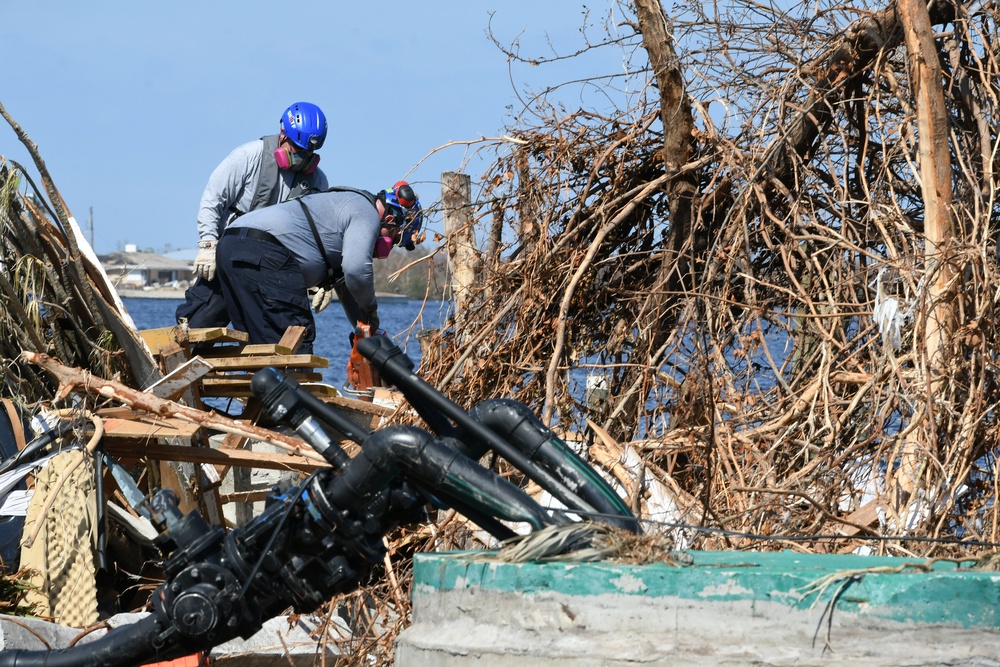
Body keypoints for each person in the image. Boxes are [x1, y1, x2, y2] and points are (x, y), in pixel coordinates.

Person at [214, 182, 423, 355]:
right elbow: (356, 271)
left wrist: (365, 327)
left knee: (259, 348)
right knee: (293, 347)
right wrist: (370, 308)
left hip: (230, 243)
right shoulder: (366, 213)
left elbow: (347, 286)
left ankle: (262, 403)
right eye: (394, 240)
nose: (389, 246)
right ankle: (294, 404)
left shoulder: (344, 204)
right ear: (390, 219)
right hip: (265, 252)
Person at [175, 102, 330, 328]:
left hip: (275, 268)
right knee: (197, 324)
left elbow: (317, 235)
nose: (304, 157)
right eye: (299, 149)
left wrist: (321, 277)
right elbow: (213, 199)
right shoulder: (248, 156)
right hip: (230, 258)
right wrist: (207, 244)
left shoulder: (317, 182)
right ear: (283, 133)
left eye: (310, 152)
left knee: (277, 335)